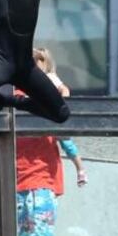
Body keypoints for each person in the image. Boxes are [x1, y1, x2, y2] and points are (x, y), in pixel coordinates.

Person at [32, 48, 88, 186]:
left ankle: (80, 169)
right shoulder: (34, 79)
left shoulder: (49, 77)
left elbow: (65, 90)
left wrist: (60, 105)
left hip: (53, 117)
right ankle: (80, 169)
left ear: (43, 62)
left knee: (67, 143)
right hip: (44, 116)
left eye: (34, 62)